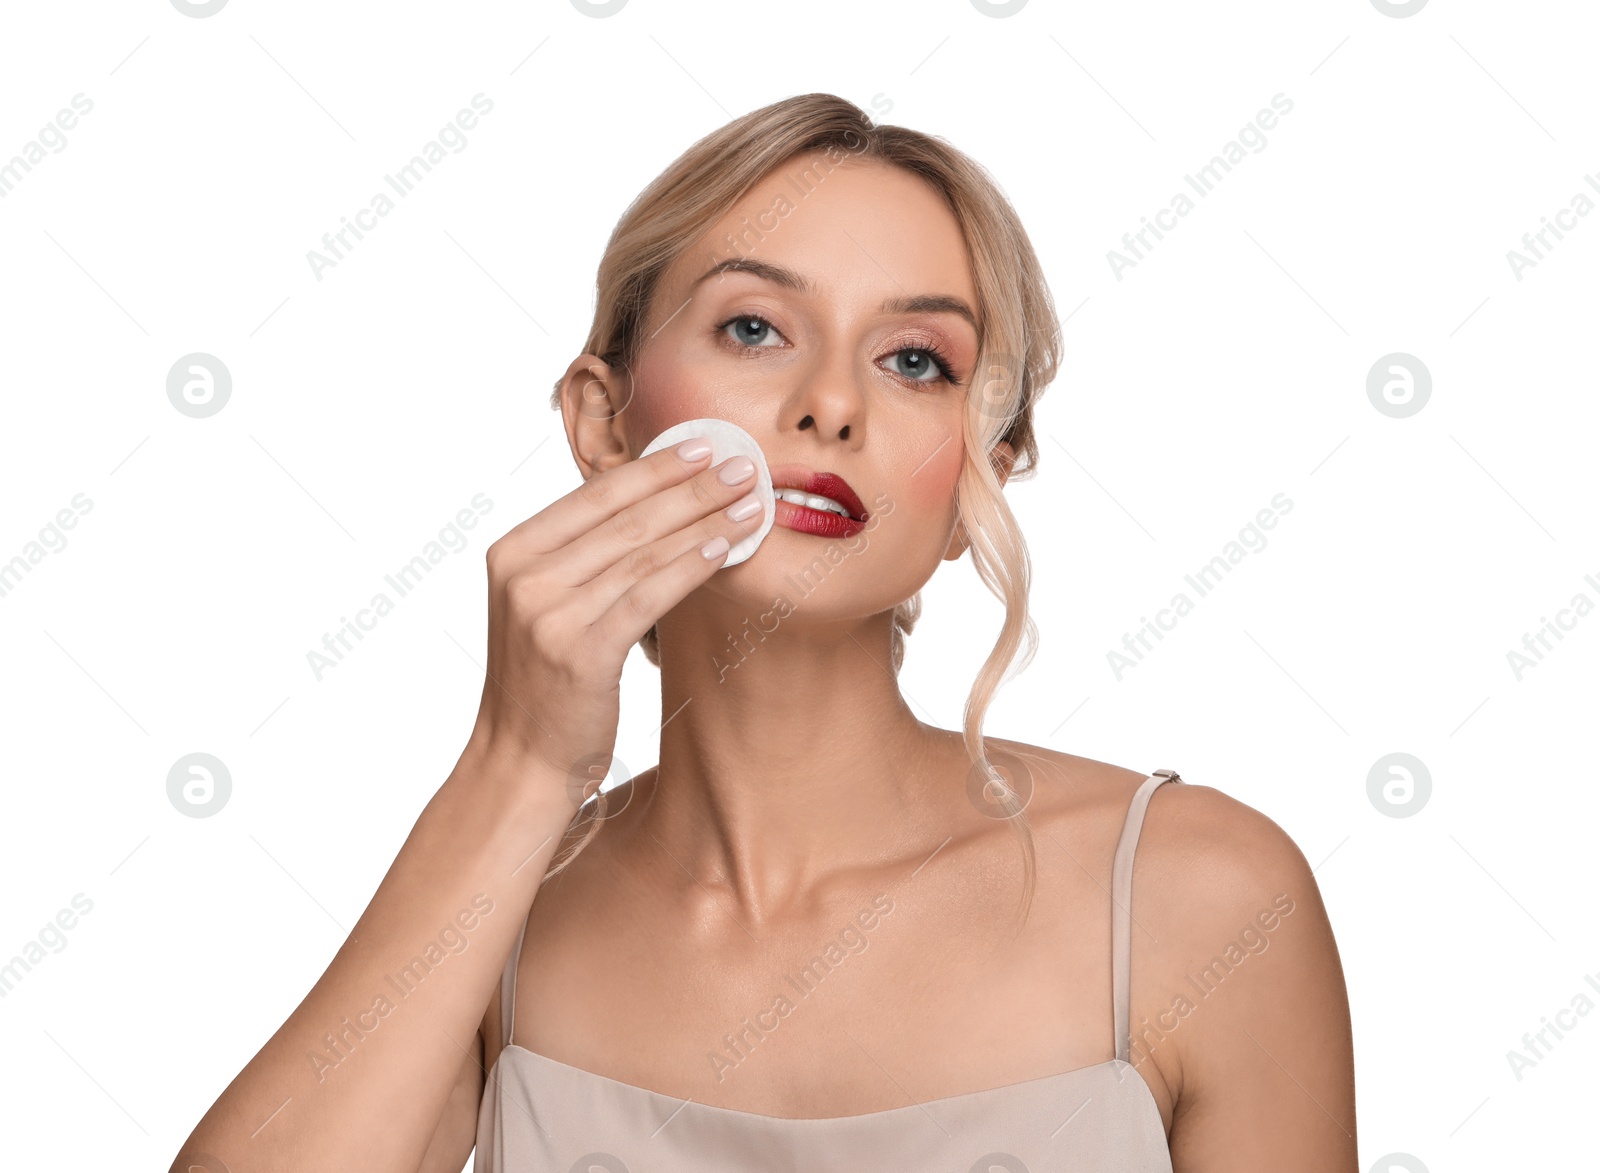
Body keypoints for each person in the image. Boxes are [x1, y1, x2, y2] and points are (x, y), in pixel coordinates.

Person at [171, 93, 1356, 1173]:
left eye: (913, 361)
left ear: (978, 481)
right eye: (753, 329)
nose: (830, 404)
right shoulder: (498, 929)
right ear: (603, 420)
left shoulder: (1203, 897)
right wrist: (519, 763)